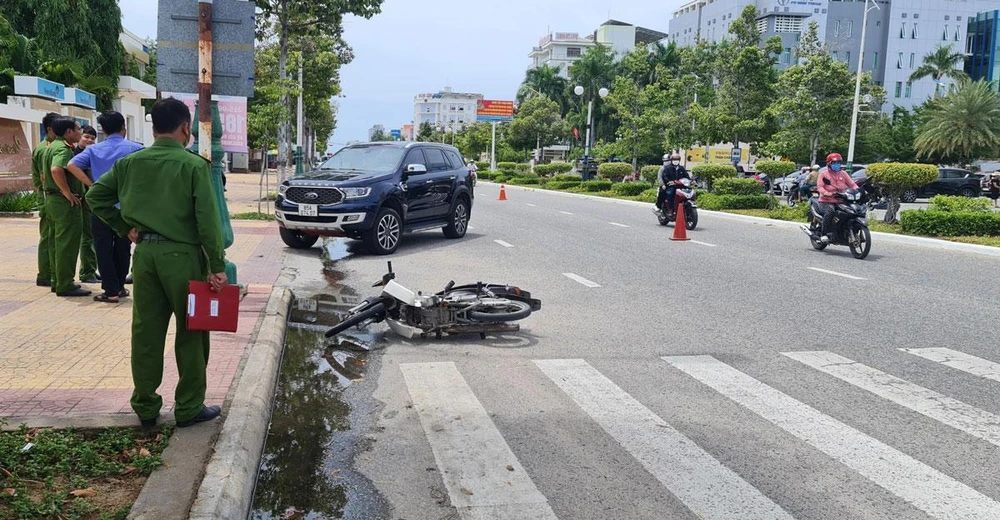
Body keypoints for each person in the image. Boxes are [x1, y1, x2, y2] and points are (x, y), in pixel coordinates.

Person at [87, 98, 227, 428]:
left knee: (146, 332)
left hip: (146, 257)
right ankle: (189, 406)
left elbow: (96, 198)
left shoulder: (130, 163)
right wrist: (217, 264)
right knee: (193, 331)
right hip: (183, 257)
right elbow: (208, 220)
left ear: (153, 129)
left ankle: (146, 406)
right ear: (184, 129)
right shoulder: (194, 166)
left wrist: (124, 227)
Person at [69, 112, 144, 302]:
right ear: (123, 128)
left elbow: (71, 165)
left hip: (101, 208)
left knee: (102, 249)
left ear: (102, 130)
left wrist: (92, 185)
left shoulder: (94, 150)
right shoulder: (137, 149)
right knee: (123, 247)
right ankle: (119, 287)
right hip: (127, 207)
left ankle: (110, 291)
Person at [42, 118, 93, 296]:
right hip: (63, 203)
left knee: (56, 243)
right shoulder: (62, 149)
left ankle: (58, 280)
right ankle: (65, 284)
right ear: (69, 132)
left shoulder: (50, 146)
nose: (80, 132)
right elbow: (56, 169)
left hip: (52, 200)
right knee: (67, 244)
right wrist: (67, 193)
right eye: (78, 129)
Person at [31, 112, 61, 287]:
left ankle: (48, 273)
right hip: (49, 198)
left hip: (46, 197)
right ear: (50, 129)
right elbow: (43, 178)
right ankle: (47, 273)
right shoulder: (46, 148)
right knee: (49, 238)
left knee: (49, 237)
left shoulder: (46, 146)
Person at [74, 125, 99, 284]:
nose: (89, 140)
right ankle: (87, 272)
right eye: (86, 137)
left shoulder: (92, 154)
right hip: (82, 201)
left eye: (92, 138)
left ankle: (90, 269)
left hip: (91, 202)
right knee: (87, 238)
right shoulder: (74, 155)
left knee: (92, 237)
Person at [816, 153, 858, 243]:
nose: (837, 165)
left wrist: (859, 191)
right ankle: (824, 233)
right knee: (830, 211)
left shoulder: (843, 173)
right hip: (826, 201)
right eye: (834, 163)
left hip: (840, 200)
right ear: (829, 163)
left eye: (839, 163)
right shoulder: (823, 174)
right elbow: (820, 187)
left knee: (850, 211)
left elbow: (852, 184)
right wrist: (826, 193)